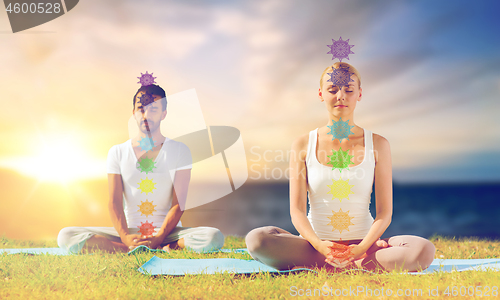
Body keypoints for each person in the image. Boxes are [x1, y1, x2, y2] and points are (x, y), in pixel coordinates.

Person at [245, 62, 435, 272]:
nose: (341, 96)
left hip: (363, 246)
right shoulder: (303, 144)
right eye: (333, 90)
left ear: (359, 94)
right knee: (257, 240)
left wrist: (361, 247)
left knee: (423, 250)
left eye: (349, 90)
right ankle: (348, 265)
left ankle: (341, 264)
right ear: (321, 94)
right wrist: (319, 245)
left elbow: (384, 213)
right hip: (315, 246)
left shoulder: (379, 144)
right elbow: (297, 210)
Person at [58, 84, 224, 253]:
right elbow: (114, 202)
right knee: (66, 235)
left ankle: (165, 246)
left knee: (213, 236)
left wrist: (159, 236)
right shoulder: (118, 152)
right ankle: (127, 247)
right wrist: (124, 236)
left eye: (153, 109)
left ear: (163, 114)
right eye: (140, 109)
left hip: (168, 233)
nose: (145, 115)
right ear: (133, 112)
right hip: (130, 233)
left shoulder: (180, 150)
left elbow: (178, 204)